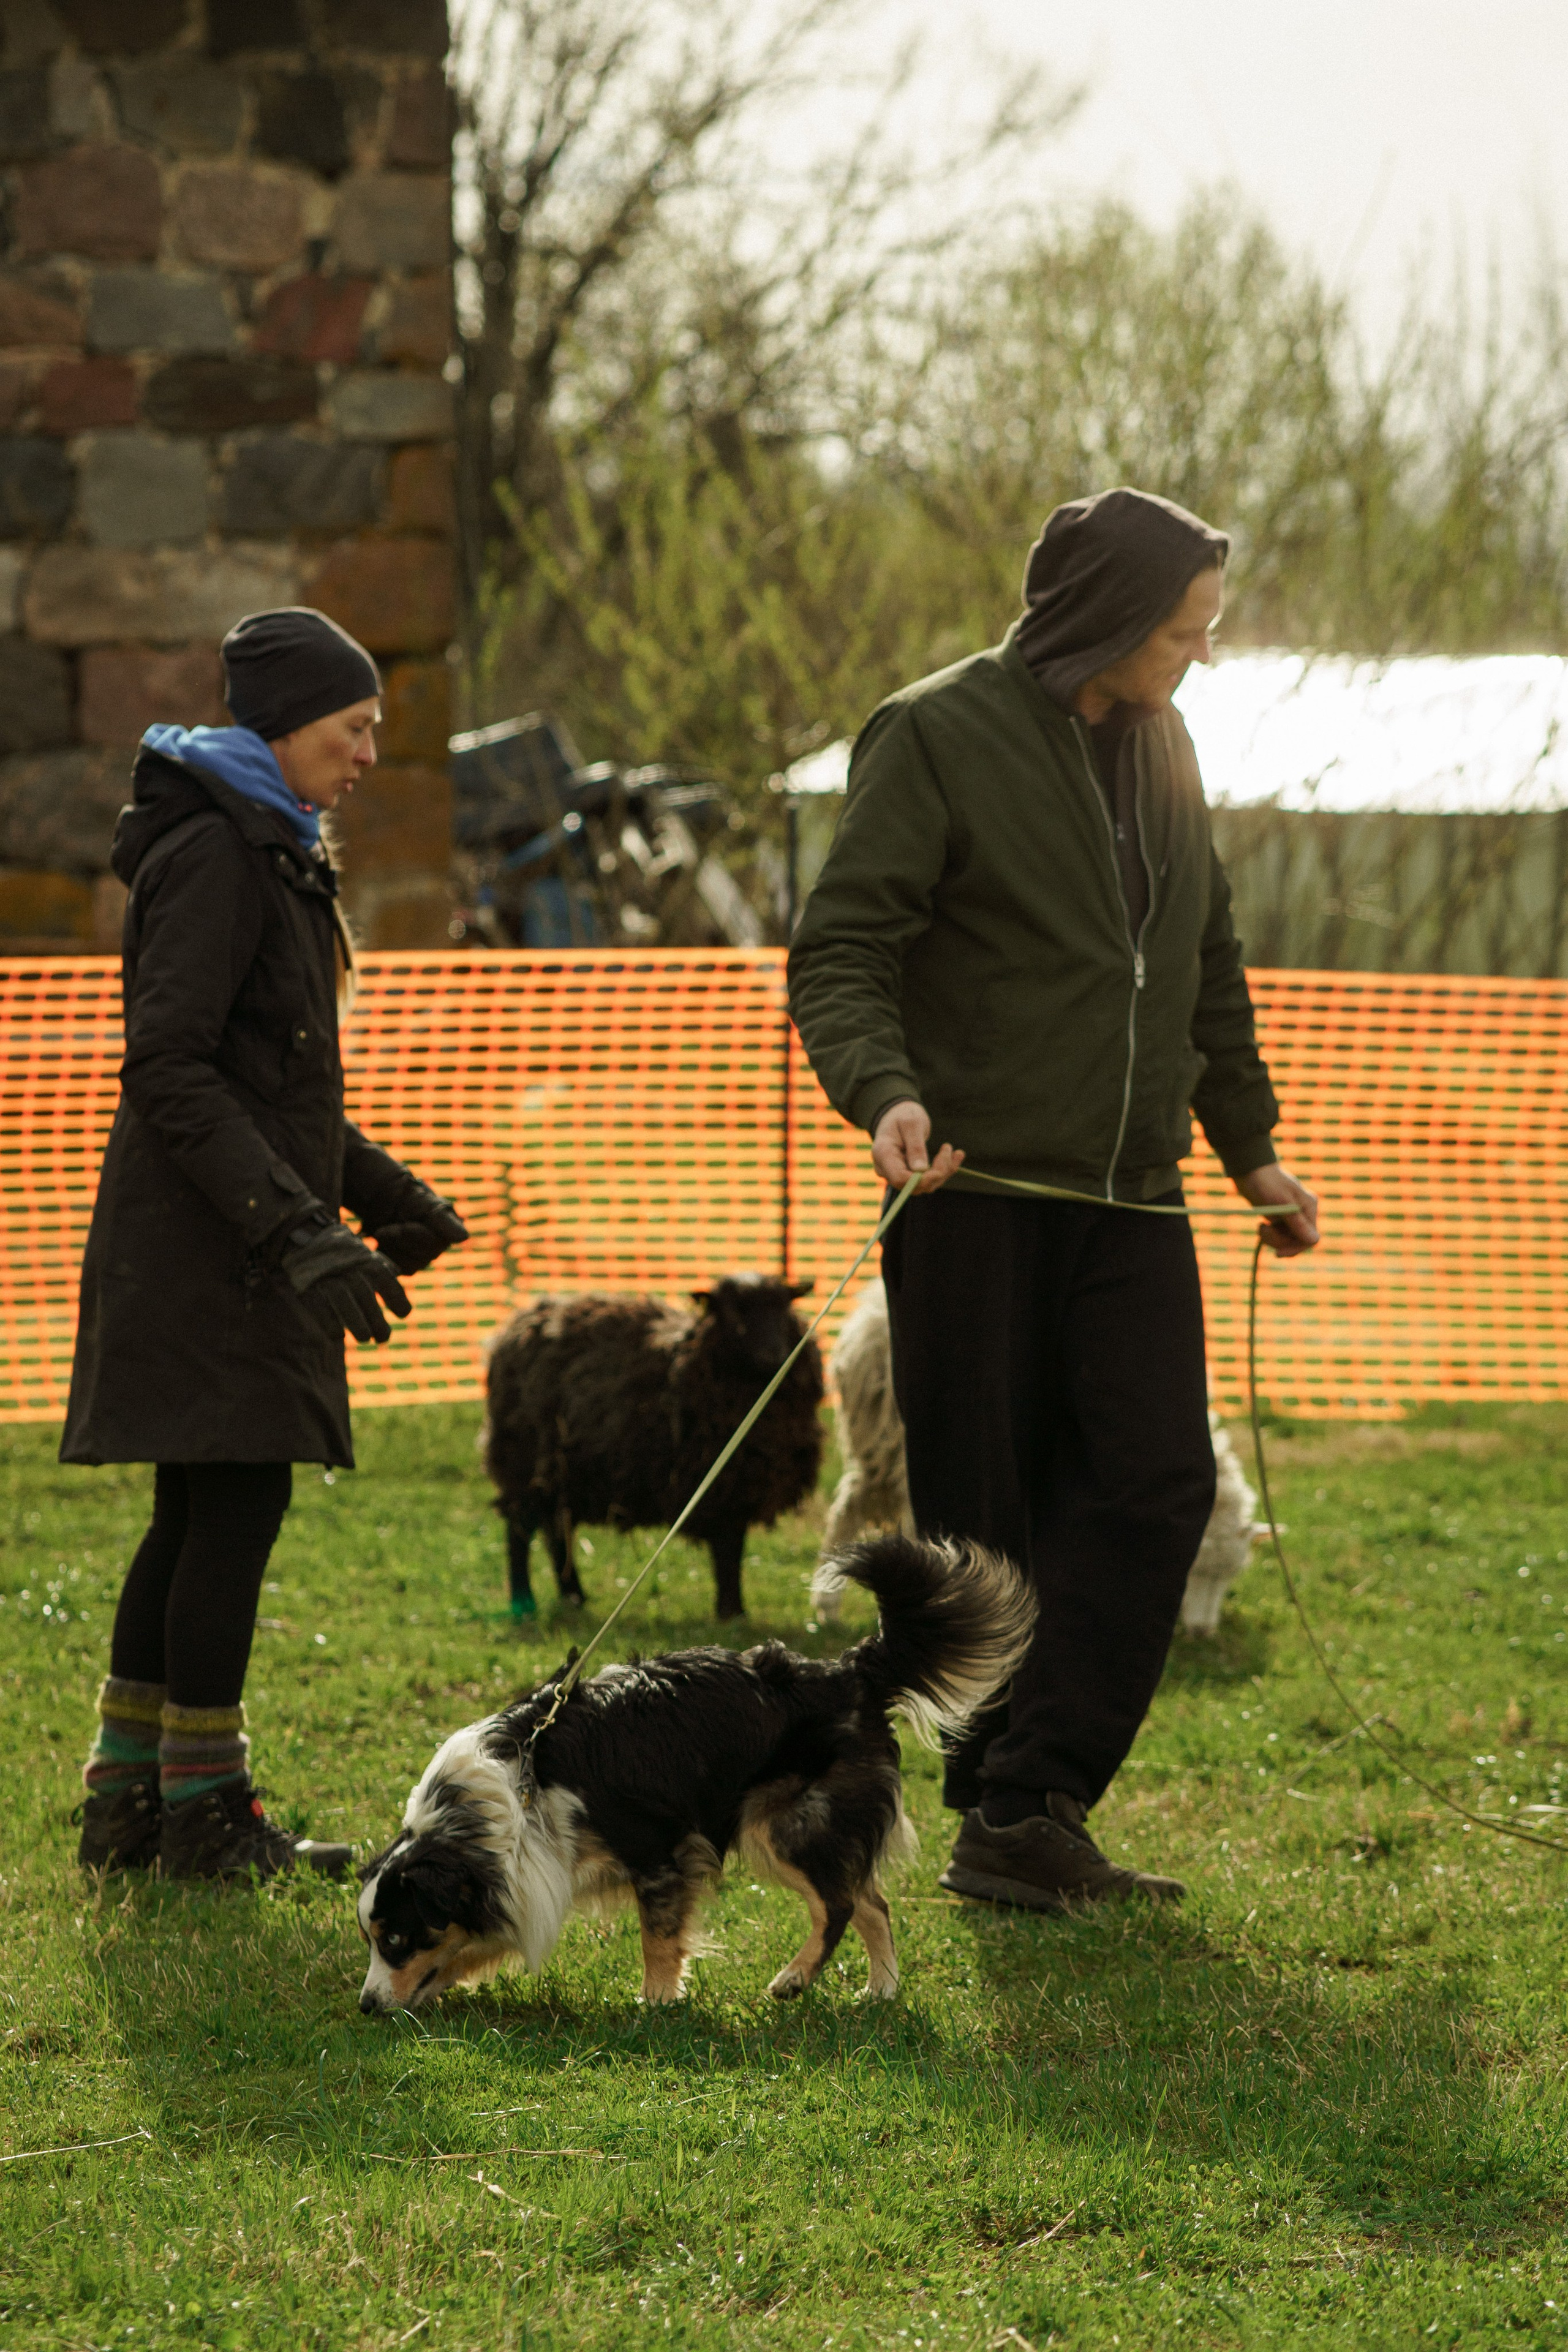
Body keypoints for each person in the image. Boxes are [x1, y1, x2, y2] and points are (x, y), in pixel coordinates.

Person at [788, 488, 1320, 1913]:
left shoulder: (1170, 744)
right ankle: (997, 1804)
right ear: (1100, 621)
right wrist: (883, 1090)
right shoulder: (934, 732)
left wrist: (1248, 1147)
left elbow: (1202, 957)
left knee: (1156, 1484)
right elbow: (843, 947)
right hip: (973, 1188)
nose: (1199, 655)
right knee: (986, 1512)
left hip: (1133, 1195)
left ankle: (1037, 1792)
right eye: (1180, 630)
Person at [64, 607, 469, 1885]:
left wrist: (389, 1197)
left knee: (195, 1512)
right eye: (352, 731)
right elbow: (171, 1072)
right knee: (230, 1507)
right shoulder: (220, 856)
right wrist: (299, 1233)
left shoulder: (271, 848)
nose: (365, 758)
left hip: (222, 1241)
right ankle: (204, 1816)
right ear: (287, 726)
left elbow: (273, 1091)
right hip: (208, 1256)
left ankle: (128, 1806)